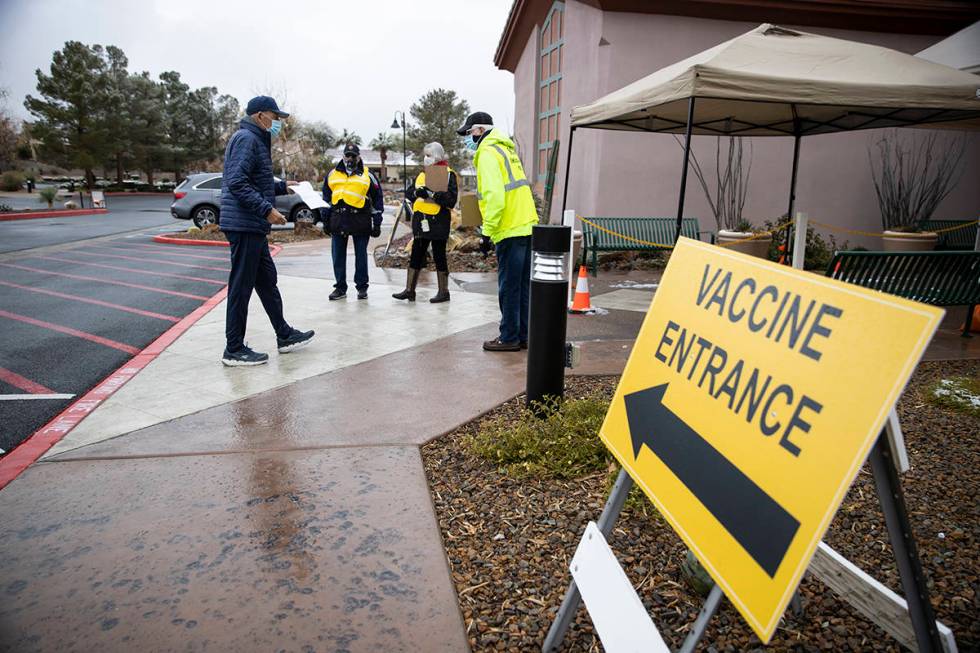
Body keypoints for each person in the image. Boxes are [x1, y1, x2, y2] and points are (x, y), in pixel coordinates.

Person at [219, 95, 314, 366]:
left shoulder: (256, 140)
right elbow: (236, 182)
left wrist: (284, 187)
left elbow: (255, 181)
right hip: (244, 224)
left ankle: (284, 334)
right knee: (241, 287)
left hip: (252, 225)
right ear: (260, 116)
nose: (277, 124)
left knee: (266, 281)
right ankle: (233, 349)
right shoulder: (247, 140)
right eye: (275, 118)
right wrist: (266, 209)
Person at [457, 111, 538, 351]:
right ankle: (523, 335)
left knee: (509, 287)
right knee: (522, 286)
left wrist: (487, 232)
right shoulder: (507, 151)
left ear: (481, 130)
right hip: (526, 225)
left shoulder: (488, 154)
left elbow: (494, 197)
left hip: (509, 228)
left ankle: (509, 337)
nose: (468, 139)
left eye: (469, 133)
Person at [393, 142, 458, 303]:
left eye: (429, 155)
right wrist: (416, 192)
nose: (425, 158)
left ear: (437, 156)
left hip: (438, 221)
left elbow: (451, 200)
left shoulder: (449, 174)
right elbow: (409, 193)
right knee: (416, 254)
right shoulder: (422, 175)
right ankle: (409, 290)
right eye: (425, 155)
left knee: (439, 255)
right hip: (421, 220)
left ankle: (444, 291)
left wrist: (432, 194)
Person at [320, 143, 384, 300]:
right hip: (338, 218)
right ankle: (340, 288)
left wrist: (377, 223)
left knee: (361, 255)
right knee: (337, 256)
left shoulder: (368, 175)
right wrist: (325, 220)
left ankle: (362, 288)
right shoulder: (332, 174)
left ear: (359, 157)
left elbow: (377, 199)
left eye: (353, 155)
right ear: (343, 156)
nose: (350, 158)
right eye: (347, 155)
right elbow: (326, 199)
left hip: (359, 218)